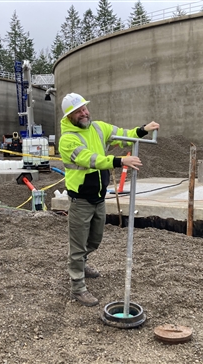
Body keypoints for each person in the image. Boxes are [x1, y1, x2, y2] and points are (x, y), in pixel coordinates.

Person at [58, 92, 160, 307]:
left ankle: (81, 264)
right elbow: (90, 159)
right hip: (81, 200)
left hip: (99, 198)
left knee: (94, 240)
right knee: (77, 246)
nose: (84, 113)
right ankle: (77, 286)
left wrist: (143, 130)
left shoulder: (98, 127)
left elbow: (125, 134)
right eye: (78, 111)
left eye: (85, 108)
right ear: (69, 116)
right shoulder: (67, 139)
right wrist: (120, 160)